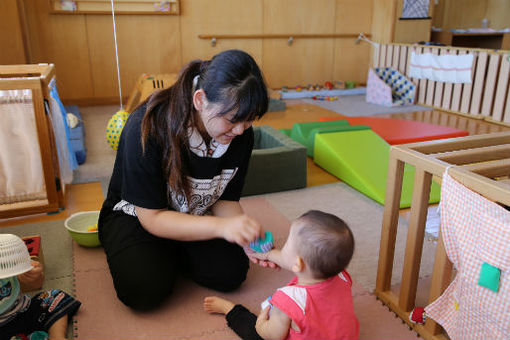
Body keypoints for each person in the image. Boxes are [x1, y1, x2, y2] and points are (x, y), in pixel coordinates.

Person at [98, 49, 272, 311]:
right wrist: (223, 229)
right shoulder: (147, 126)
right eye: (232, 120)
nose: (240, 130)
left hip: (193, 213)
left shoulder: (240, 133)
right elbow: (153, 217)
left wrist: (243, 233)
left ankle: (168, 252)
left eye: (248, 121)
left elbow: (224, 198)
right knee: (143, 290)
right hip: (138, 216)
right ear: (200, 99)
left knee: (231, 274)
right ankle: (158, 254)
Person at [204, 210, 359, 340]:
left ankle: (230, 310)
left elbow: (272, 335)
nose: (283, 246)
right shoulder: (342, 276)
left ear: (298, 264)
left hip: (272, 330)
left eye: (287, 244)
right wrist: (268, 254)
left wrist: (261, 324)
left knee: (255, 332)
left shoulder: (289, 300)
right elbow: (291, 261)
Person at [1, 236, 81, 340]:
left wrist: (33, 276)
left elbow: (36, 285)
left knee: (54, 296)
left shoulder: (5, 254)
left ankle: (57, 336)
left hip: (24, 311)